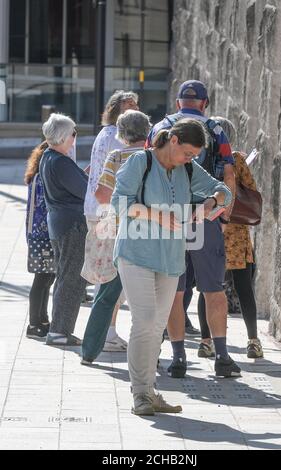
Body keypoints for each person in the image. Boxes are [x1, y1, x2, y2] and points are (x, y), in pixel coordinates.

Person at [112, 118, 233, 416]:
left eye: (193, 157)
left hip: (170, 258)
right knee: (145, 321)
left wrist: (209, 203)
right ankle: (140, 394)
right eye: (188, 153)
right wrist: (157, 217)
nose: (189, 160)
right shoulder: (141, 162)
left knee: (156, 327)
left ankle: (150, 391)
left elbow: (223, 191)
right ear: (174, 141)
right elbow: (118, 204)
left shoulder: (188, 169)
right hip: (135, 253)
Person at [147, 80, 239, 379]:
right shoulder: (215, 130)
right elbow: (228, 173)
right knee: (213, 288)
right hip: (205, 217)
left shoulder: (160, 128)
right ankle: (223, 357)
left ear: (178, 103)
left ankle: (178, 358)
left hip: (168, 219)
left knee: (175, 291)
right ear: (205, 103)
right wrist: (223, 217)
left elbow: (149, 169)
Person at [81, 110, 151, 364]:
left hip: (121, 232)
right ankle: (149, 354)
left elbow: (101, 195)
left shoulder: (117, 156)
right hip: (151, 233)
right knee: (150, 297)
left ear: (121, 134)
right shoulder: (154, 158)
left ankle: (89, 351)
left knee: (107, 294)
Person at [195, 117, 264, 359]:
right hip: (235, 231)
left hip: (208, 227)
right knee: (244, 287)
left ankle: (206, 342)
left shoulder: (198, 159)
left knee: (208, 287)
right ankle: (253, 341)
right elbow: (251, 189)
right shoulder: (235, 159)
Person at [39, 113, 88, 346]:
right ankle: (60, 331)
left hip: (60, 224)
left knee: (65, 277)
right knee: (72, 279)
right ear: (63, 136)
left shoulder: (49, 157)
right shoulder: (60, 161)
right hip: (72, 226)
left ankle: (59, 329)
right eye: (73, 133)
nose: (74, 138)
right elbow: (86, 192)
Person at [25, 141, 55, 338]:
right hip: (42, 235)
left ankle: (42, 319)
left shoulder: (37, 176)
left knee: (47, 278)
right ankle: (34, 323)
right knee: (42, 278)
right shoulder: (41, 179)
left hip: (40, 234)